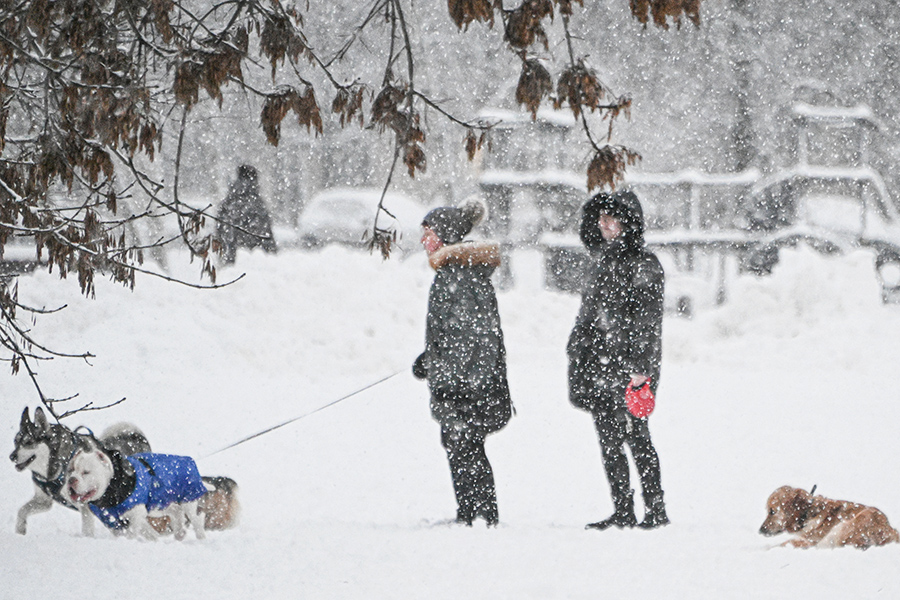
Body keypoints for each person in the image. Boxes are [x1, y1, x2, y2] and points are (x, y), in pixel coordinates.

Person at [566, 189, 669, 531]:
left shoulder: (644, 265)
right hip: (598, 366)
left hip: (628, 369)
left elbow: (647, 321)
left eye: (613, 217)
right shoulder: (600, 263)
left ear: (629, 222)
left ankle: (655, 510)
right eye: (601, 217)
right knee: (609, 441)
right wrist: (578, 347)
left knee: (637, 438)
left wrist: (640, 367)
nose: (605, 223)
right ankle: (622, 509)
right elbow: (589, 313)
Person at [413, 198, 512, 526]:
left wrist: (455, 377)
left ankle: (481, 513)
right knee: (460, 445)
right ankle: (471, 511)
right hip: (459, 381)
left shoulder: (460, 276)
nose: (424, 240)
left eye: (427, 233)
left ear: (443, 235)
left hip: (468, 386)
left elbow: (477, 339)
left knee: (465, 445)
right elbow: (454, 333)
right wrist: (430, 359)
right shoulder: (453, 273)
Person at [217, 165, 277, 264]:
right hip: (255, 259)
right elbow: (266, 233)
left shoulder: (229, 201)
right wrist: (271, 252)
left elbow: (221, 229)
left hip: (231, 258)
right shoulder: (257, 203)